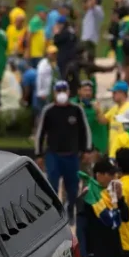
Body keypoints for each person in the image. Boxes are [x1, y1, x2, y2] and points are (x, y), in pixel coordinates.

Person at [34, 80, 91, 222]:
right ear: (54, 93)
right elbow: (40, 133)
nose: (61, 94)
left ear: (68, 92)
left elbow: (85, 131)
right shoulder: (48, 110)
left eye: (63, 91)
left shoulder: (76, 110)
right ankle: (55, 214)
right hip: (53, 155)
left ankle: (71, 210)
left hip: (72, 156)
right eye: (58, 91)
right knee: (51, 186)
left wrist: (86, 150)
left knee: (72, 188)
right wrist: (38, 154)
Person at [75, 157, 126, 257]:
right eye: (110, 174)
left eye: (115, 174)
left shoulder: (112, 196)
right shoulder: (87, 195)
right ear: (99, 174)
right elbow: (81, 229)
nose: (114, 178)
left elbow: (126, 217)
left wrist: (121, 199)